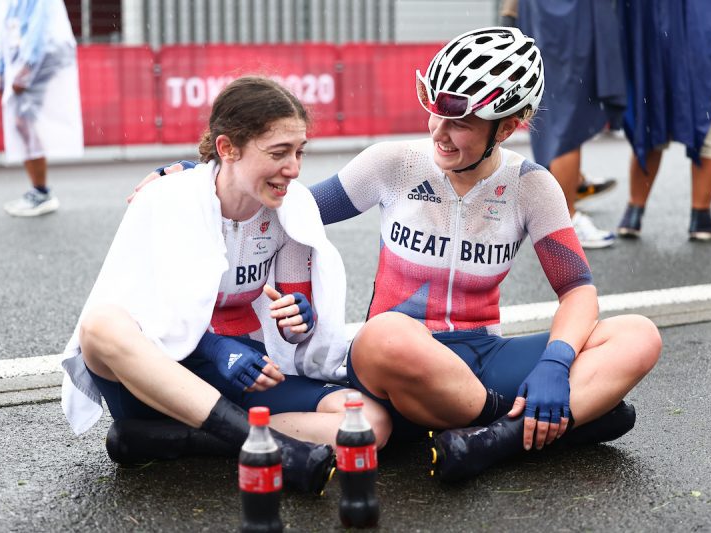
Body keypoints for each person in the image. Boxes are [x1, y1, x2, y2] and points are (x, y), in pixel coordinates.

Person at [147, 28, 662, 482]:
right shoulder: (394, 163)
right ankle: (540, 424)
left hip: (481, 359)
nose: (438, 132)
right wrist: (198, 175)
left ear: (506, 128)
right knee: (387, 333)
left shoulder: (533, 187)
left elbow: (578, 291)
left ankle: (490, 442)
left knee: (638, 334)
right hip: (394, 361)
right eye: (434, 111)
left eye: (460, 122)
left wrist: (556, 361)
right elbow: (290, 207)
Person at [60, 77, 391, 495]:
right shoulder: (169, 198)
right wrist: (213, 348)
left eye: (299, 152)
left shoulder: (291, 209)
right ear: (227, 148)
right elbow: (137, 309)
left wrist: (300, 317)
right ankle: (276, 451)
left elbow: (295, 325)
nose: (294, 168)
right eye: (278, 153)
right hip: (159, 375)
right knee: (99, 326)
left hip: (242, 371)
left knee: (369, 423)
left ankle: (169, 439)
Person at [616, 0, 711, 241]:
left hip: (657, 25)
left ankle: (633, 213)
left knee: (653, 115)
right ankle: (701, 216)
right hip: (708, 28)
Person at [518, 0, 626, 249]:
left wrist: (510, 14)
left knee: (552, 107)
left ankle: (567, 188)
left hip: (541, 13)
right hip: (567, 17)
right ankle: (567, 219)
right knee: (566, 119)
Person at [0, 0, 83, 217]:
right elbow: (4, 34)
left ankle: (41, 192)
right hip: (27, 57)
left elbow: (39, 29)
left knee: (22, 121)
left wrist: (26, 69)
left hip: (43, 56)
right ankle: (39, 190)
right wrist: (0, 74)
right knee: (22, 122)